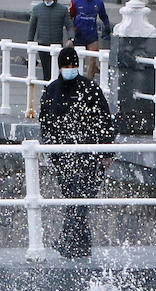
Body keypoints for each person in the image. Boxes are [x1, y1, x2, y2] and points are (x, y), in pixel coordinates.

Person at [39, 46, 115, 259]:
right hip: (62, 157)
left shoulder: (90, 89)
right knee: (73, 198)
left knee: (79, 197)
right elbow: (46, 123)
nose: (70, 69)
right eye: (66, 65)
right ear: (60, 66)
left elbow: (103, 119)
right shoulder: (52, 90)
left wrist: (106, 151)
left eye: (73, 65)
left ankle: (68, 240)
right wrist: (51, 150)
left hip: (89, 156)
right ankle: (80, 244)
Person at [69, 0, 111, 81]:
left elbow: (104, 17)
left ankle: (88, 82)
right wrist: (71, 34)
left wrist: (107, 27)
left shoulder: (99, 3)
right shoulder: (75, 2)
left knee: (92, 59)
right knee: (76, 59)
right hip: (79, 34)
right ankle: (74, 80)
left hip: (92, 35)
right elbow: (69, 18)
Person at [27, 0, 70, 81]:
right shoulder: (37, 9)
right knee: (46, 69)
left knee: (56, 69)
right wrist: (30, 42)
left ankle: (55, 89)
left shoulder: (62, 9)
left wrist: (71, 39)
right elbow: (32, 28)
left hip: (56, 44)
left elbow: (69, 26)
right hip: (42, 44)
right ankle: (47, 90)